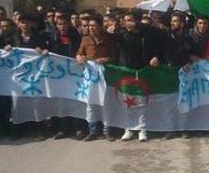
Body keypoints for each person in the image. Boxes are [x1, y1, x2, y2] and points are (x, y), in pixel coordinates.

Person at [111, 11, 165, 142]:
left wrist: (156, 57)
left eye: (130, 20)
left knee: (141, 102)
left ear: (136, 21)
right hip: (125, 71)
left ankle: (142, 130)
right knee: (126, 102)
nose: (127, 23)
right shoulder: (120, 35)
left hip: (142, 71)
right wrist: (110, 32)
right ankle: (128, 129)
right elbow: (109, 42)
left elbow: (159, 43)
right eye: (125, 20)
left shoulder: (147, 34)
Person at [6, 13, 50, 140]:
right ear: (18, 24)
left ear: (31, 24)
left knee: (36, 102)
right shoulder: (13, 37)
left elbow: (46, 50)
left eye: (27, 22)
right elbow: (4, 50)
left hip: (34, 76)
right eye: (22, 22)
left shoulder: (39, 37)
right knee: (18, 103)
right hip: (18, 76)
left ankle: (40, 129)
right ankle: (18, 130)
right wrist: (7, 47)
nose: (24, 25)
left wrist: (43, 50)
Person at [76, 14, 118, 141]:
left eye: (94, 25)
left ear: (100, 26)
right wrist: (79, 57)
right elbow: (79, 53)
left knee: (105, 103)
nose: (91, 28)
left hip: (104, 75)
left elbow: (115, 58)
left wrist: (106, 59)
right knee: (90, 103)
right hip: (90, 76)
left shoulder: (109, 39)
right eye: (89, 26)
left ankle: (107, 131)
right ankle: (92, 131)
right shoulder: (85, 39)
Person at [50, 14, 83, 140]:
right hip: (59, 76)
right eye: (59, 24)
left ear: (69, 24)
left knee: (75, 101)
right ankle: (63, 129)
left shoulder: (77, 37)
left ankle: (78, 128)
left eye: (64, 24)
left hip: (74, 74)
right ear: (56, 25)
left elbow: (81, 52)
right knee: (61, 102)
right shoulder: (52, 38)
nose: (62, 26)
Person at [164, 11, 196, 139]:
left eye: (175, 21)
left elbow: (193, 53)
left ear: (182, 24)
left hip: (185, 74)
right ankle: (170, 129)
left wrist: (188, 61)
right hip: (170, 73)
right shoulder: (166, 36)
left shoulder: (189, 38)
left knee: (184, 102)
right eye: (172, 21)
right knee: (169, 103)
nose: (172, 23)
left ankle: (184, 129)